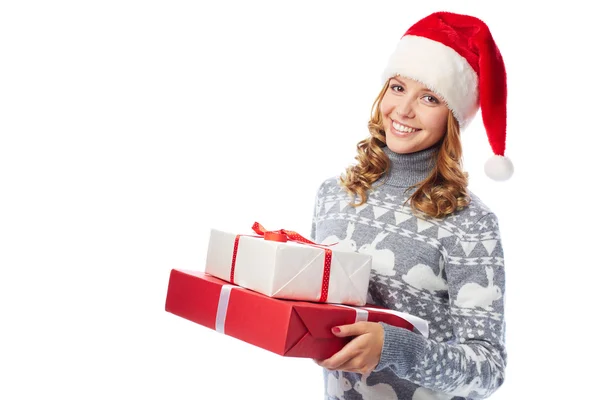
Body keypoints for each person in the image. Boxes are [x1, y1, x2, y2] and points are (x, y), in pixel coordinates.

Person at [310, 11, 513, 400]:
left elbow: (488, 370)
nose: (403, 111)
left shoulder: (471, 224)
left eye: (430, 98)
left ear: (452, 118)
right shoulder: (334, 195)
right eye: (398, 88)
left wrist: (393, 348)